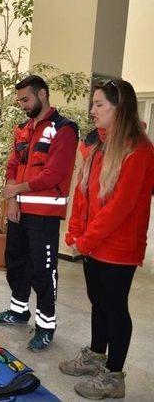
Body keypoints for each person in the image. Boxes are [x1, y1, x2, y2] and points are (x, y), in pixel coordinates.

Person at [59, 79, 154, 400]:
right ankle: (97, 355)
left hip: (118, 248)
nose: (92, 110)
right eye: (94, 103)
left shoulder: (139, 151)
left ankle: (114, 376)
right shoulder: (98, 146)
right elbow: (83, 193)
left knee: (114, 307)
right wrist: (75, 231)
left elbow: (120, 208)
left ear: (119, 107)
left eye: (100, 104)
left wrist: (85, 240)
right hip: (93, 243)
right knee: (98, 303)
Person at [0, 75, 79, 352]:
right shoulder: (23, 129)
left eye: (26, 99)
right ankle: (18, 311)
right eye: (20, 101)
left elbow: (55, 173)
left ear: (42, 95)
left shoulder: (64, 130)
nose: (23, 105)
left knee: (44, 271)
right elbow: (13, 166)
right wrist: (12, 200)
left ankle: (45, 326)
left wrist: (19, 189)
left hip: (44, 216)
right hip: (20, 212)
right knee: (15, 262)